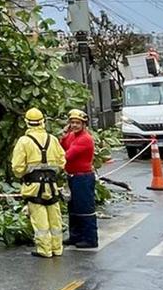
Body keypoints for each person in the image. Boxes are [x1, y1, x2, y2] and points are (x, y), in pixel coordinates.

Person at [10, 108, 66, 258]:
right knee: (55, 218)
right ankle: (57, 248)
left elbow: (17, 167)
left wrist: (23, 175)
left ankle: (45, 250)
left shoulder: (24, 142)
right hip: (52, 185)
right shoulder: (52, 139)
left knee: (40, 220)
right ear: (43, 121)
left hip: (33, 186)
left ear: (27, 123)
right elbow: (62, 161)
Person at [61, 109, 98, 249]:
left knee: (85, 208)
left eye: (78, 123)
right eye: (72, 122)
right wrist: (63, 136)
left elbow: (66, 156)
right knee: (73, 208)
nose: (75, 125)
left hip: (83, 178)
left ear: (84, 124)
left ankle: (90, 238)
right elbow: (62, 146)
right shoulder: (71, 136)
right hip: (72, 176)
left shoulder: (85, 139)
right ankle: (75, 236)